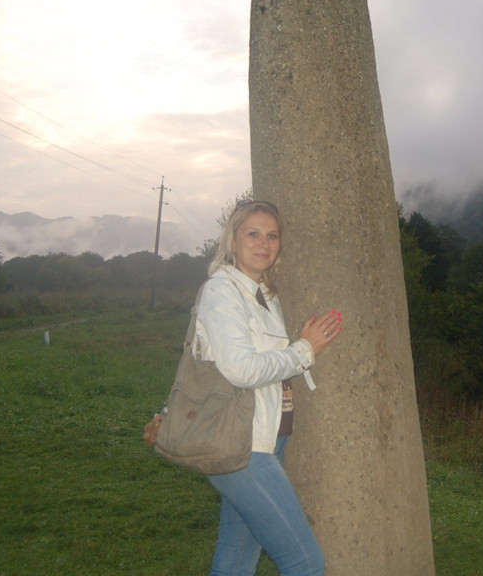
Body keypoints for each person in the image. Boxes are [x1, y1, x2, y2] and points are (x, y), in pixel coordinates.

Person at [145, 199, 342, 576]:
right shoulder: (222, 291)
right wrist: (304, 350)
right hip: (243, 447)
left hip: (266, 440)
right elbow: (241, 368)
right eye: (252, 233)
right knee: (306, 563)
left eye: (272, 235)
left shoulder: (265, 296)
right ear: (232, 240)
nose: (263, 243)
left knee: (236, 561)